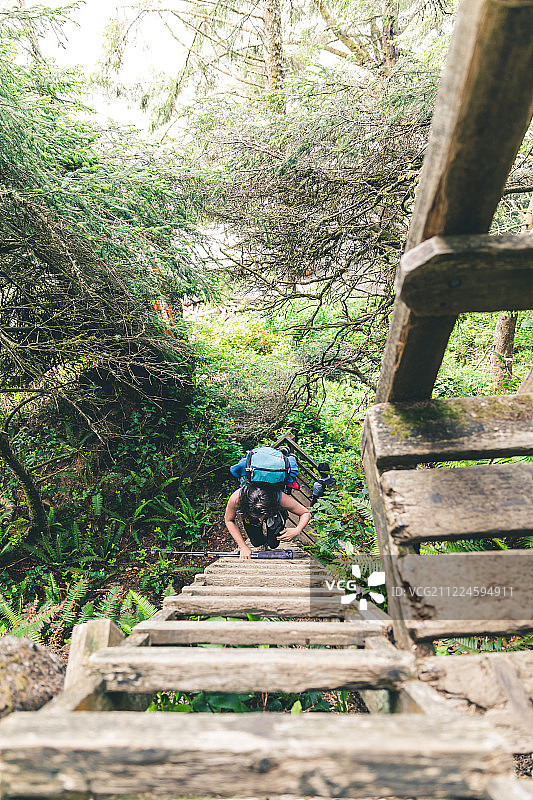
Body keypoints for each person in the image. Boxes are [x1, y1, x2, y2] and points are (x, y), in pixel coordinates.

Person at [224, 483, 311, 560]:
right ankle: (261, 540)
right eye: (258, 517)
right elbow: (229, 520)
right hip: (250, 513)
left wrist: (297, 530)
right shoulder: (236, 499)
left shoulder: (280, 498)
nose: (260, 520)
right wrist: (243, 547)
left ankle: (271, 536)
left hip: (274, 511)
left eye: (262, 516)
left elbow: (305, 513)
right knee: (256, 542)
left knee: (273, 544)